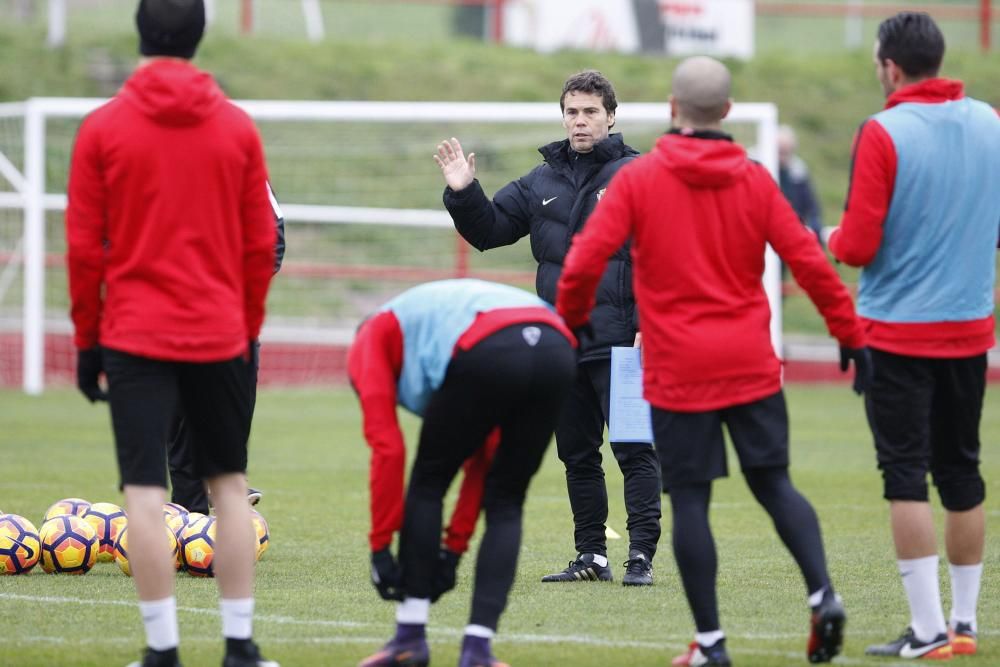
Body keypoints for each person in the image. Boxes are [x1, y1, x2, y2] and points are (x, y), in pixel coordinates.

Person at [556, 56, 871, 666]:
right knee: (775, 485)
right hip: (749, 362)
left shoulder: (637, 182)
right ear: (727, 112)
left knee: (692, 501)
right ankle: (822, 593)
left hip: (679, 371)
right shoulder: (755, 179)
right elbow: (808, 259)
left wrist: (565, 325)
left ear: (674, 110)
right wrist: (849, 333)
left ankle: (710, 644)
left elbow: (584, 264)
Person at [66, 2, 278, 666]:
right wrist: (245, 329)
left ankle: (162, 651)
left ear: (138, 34)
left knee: (144, 495)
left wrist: (85, 339)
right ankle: (240, 645)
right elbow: (258, 242)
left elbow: (82, 249)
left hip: (134, 332)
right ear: (199, 36)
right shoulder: (238, 128)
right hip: (220, 332)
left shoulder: (102, 128)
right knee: (227, 486)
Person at [434, 70, 662, 587]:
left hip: (624, 339)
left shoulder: (641, 175)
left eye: (589, 112)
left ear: (610, 116)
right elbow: (490, 232)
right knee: (577, 454)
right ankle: (592, 556)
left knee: (633, 449)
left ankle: (641, 557)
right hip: (563, 343)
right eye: (571, 111)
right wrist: (465, 193)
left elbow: (664, 253)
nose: (579, 121)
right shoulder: (541, 181)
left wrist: (651, 321)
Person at [828, 12, 1000, 660]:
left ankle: (926, 630)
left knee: (905, 476)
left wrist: (831, 241)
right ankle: (964, 622)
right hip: (969, 327)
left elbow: (862, 241)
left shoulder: (883, 131)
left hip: (898, 333)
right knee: (962, 472)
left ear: (891, 67)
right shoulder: (990, 122)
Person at [349, 279, 577, 667]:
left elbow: (388, 448)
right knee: (507, 501)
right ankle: (477, 650)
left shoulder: (368, 338)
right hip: (557, 347)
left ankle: (409, 639)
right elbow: (481, 460)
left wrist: (380, 547)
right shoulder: (431, 324)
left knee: (429, 482)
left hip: (489, 345)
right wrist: (453, 551)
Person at [167, 185, 285, 515]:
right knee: (179, 423)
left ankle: (218, 485)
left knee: (230, 414)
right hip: (164, 315)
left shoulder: (243, 160)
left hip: (229, 316)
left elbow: (273, 234)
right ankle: (191, 515)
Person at [777, 124, 824, 248]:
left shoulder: (798, 170)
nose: (782, 158)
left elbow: (810, 204)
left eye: (786, 153)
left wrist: (815, 222)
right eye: (780, 152)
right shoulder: (757, 167)